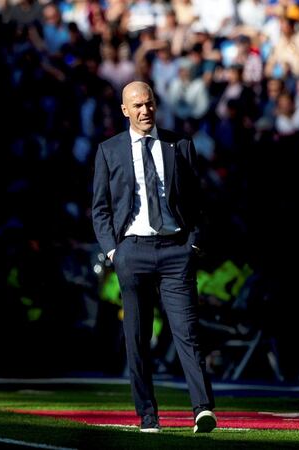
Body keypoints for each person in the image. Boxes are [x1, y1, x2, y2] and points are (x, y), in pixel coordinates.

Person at [91, 81, 216, 433]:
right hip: (133, 251)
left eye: (149, 104)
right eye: (137, 106)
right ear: (125, 110)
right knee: (137, 336)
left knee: (187, 332)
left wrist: (192, 243)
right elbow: (99, 208)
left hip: (176, 249)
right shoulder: (109, 150)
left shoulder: (179, 144)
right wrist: (114, 251)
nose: (145, 111)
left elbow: (197, 200)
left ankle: (202, 409)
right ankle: (148, 415)